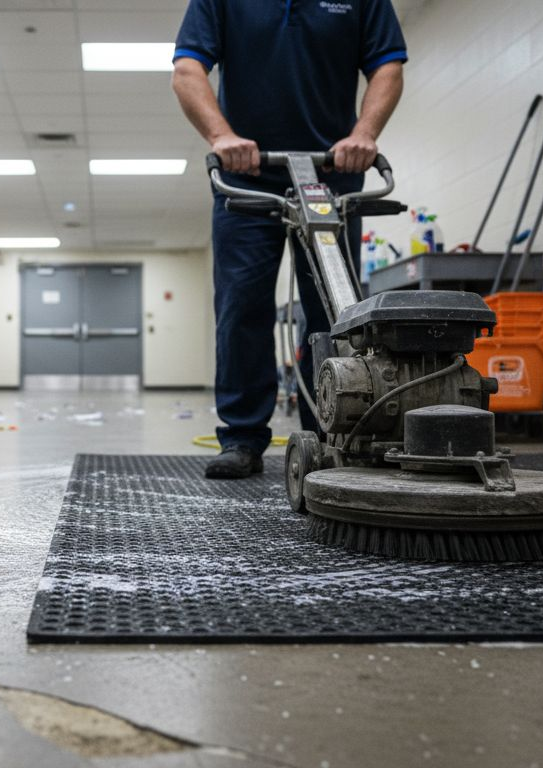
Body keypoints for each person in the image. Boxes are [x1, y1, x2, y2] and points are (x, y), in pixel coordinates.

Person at [171, 0, 407, 479]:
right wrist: (221, 137)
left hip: (332, 173)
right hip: (247, 176)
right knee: (241, 305)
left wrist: (364, 134)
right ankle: (242, 436)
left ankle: (331, 430)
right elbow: (187, 69)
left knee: (335, 312)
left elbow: (387, 66)